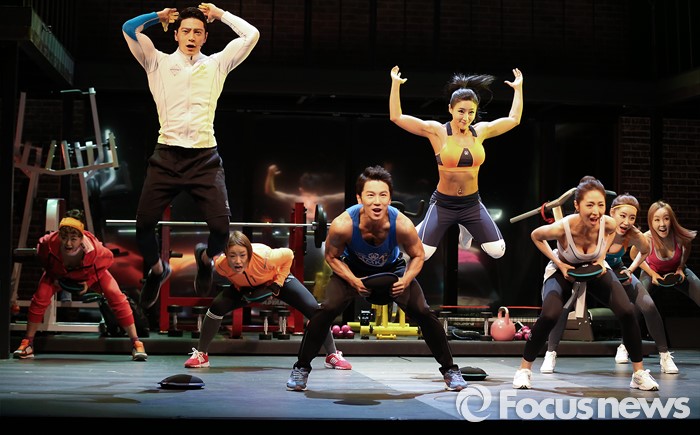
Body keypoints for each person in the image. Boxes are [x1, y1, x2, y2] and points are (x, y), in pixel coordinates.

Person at [122, 4, 260, 309]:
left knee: (222, 230)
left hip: (204, 157)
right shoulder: (156, 61)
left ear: (205, 37)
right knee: (143, 225)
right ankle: (157, 270)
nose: (192, 37)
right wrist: (157, 16)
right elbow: (129, 28)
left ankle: (205, 259)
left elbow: (251, 35)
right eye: (186, 31)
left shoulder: (217, 64)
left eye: (198, 32)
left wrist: (220, 14)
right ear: (176, 34)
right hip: (166, 155)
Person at [286, 166, 467, 392]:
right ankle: (301, 369)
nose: (377, 202)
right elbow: (331, 257)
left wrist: (406, 279)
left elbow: (419, 255)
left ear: (390, 199)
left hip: (392, 271)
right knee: (326, 310)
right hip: (353, 270)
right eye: (370, 195)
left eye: (383, 195)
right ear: (359, 198)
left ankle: (450, 370)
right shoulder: (343, 225)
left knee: (423, 311)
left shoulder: (401, 224)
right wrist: (352, 280)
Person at [512, 177, 659, 391]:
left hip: (595, 269)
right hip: (565, 271)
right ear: (577, 205)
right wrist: (559, 264)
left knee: (627, 311)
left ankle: (638, 374)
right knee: (550, 315)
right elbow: (536, 236)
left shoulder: (608, 223)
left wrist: (602, 257)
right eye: (590, 205)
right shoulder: (563, 227)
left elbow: (614, 234)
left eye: (600, 205)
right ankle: (524, 369)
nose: (596, 211)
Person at [389, 65, 523, 261]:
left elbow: (514, 119)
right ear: (450, 109)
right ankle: (424, 227)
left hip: (471, 203)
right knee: (423, 255)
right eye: (461, 111)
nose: (465, 118)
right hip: (444, 203)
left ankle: (465, 227)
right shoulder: (438, 132)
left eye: (471, 112)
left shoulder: (480, 131)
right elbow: (397, 117)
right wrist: (395, 84)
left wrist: (518, 89)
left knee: (498, 251)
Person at [540, 193, 679, 374]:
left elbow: (645, 250)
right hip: (584, 268)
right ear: (611, 213)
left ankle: (664, 355)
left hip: (614, 269)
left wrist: (631, 269)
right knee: (564, 308)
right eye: (623, 216)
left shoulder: (632, 234)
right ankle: (550, 353)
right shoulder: (597, 226)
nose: (627, 222)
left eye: (632, 218)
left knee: (648, 305)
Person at [183, 231, 352, 370]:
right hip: (247, 288)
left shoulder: (266, 257)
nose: (237, 261)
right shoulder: (221, 265)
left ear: (249, 254)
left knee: (315, 311)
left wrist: (277, 283)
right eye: (232, 256)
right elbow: (232, 275)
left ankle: (332, 354)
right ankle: (201, 355)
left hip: (276, 280)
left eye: (242, 255)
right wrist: (240, 287)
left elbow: (289, 255)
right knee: (216, 307)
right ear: (226, 255)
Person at [13, 210, 147, 361]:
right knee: (40, 297)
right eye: (64, 238)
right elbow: (42, 257)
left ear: (81, 238)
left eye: (73, 239)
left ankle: (136, 343)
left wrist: (88, 283)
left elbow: (109, 260)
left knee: (116, 296)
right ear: (59, 235)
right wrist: (52, 274)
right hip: (59, 274)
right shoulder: (48, 243)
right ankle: (27, 344)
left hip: (90, 275)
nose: (68, 243)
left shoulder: (95, 250)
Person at [629, 200, 699, 356]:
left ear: (671, 220)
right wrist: (652, 273)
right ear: (651, 221)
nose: (662, 224)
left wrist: (680, 267)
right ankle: (624, 346)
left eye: (666, 219)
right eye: (657, 220)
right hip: (652, 272)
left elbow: (687, 248)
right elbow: (634, 255)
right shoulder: (646, 238)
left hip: (676, 272)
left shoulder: (680, 237)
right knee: (638, 304)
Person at [264, 164, 345, 225]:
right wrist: (270, 174)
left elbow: (271, 192)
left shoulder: (322, 199)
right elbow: (271, 192)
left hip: (318, 229)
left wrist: (270, 174)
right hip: (301, 230)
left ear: (301, 189)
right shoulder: (298, 199)